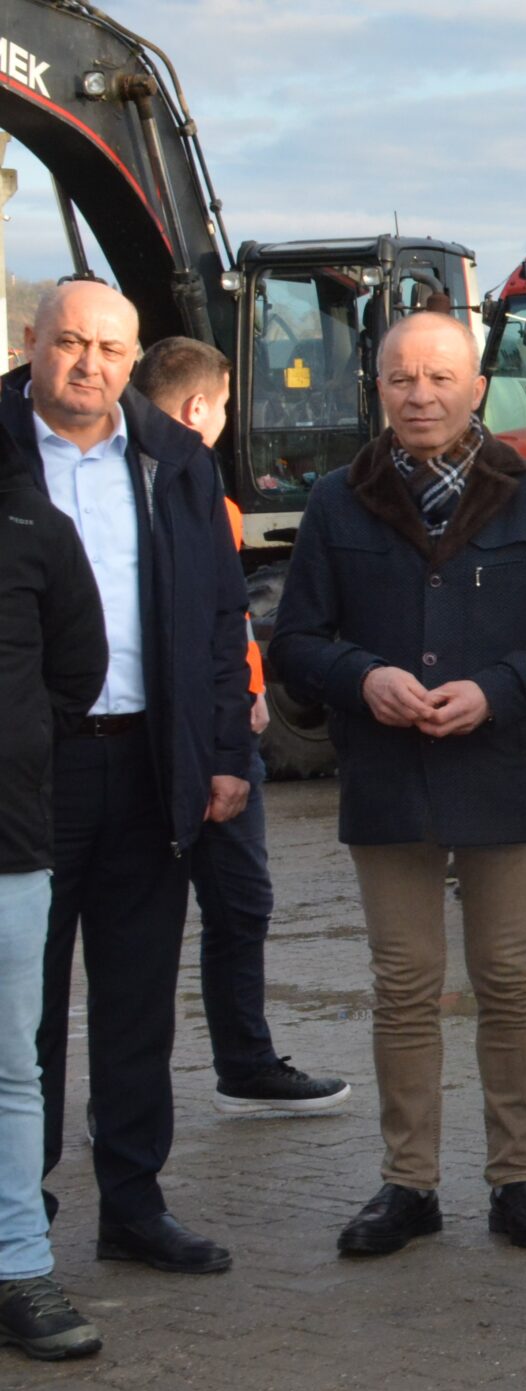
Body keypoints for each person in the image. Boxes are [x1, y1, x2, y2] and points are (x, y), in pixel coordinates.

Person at [270, 311, 526, 1259]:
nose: (420, 395)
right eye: (401, 378)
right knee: (405, 985)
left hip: (500, 771)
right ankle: (408, 1185)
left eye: (440, 377)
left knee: (508, 980)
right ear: (377, 388)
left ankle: (517, 1178)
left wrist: (498, 689)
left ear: (476, 389)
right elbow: (296, 641)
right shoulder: (337, 500)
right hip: (388, 776)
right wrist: (362, 678)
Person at [14, 282, 255, 1276]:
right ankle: (17, 1214)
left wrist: (225, 754)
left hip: (150, 762)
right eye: (70, 342)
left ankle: (133, 1202)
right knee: (18, 1010)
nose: (89, 365)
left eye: (110, 350)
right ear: (30, 342)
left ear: (134, 357)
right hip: (23, 771)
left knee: (137, 999)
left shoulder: (175, 459)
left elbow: (219, 616)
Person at [131, 337, 351, 1116]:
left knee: (235, 905)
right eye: (225, 406)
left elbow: (226, 624)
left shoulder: (190, 493)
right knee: (170, 919)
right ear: (199, 408)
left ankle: (241, 1065)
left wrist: (247, 693)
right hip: (181, 740)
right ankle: (143, 1087)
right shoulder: (173, 496)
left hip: (216, 731)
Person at [0, 429, 106, 1359]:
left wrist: (22, 743)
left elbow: (78, 670)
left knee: (11, 1071)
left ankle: (21, 1267)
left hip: (9, 843)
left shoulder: (34, 526)